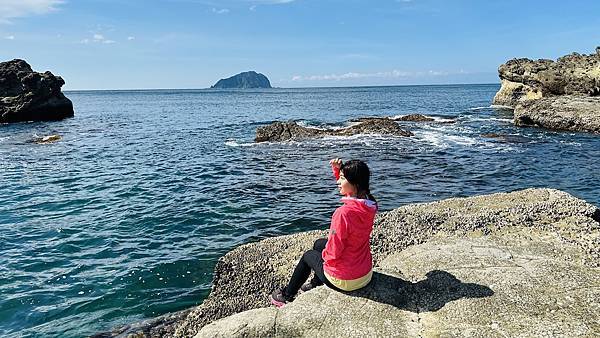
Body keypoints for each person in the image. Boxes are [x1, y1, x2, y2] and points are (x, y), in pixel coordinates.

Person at [270, 158, 378, 307]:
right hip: (364, 274)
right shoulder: (370, 204)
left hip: (346, 281)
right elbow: (351, 191)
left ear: (354, 183)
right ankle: (316, 283)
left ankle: (287, 295)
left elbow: (333, 253)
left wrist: (324, 258)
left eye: (341, 179)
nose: (337, 182)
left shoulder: (343, 213)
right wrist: (338, 171)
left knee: (309, 256)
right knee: (319, 244)